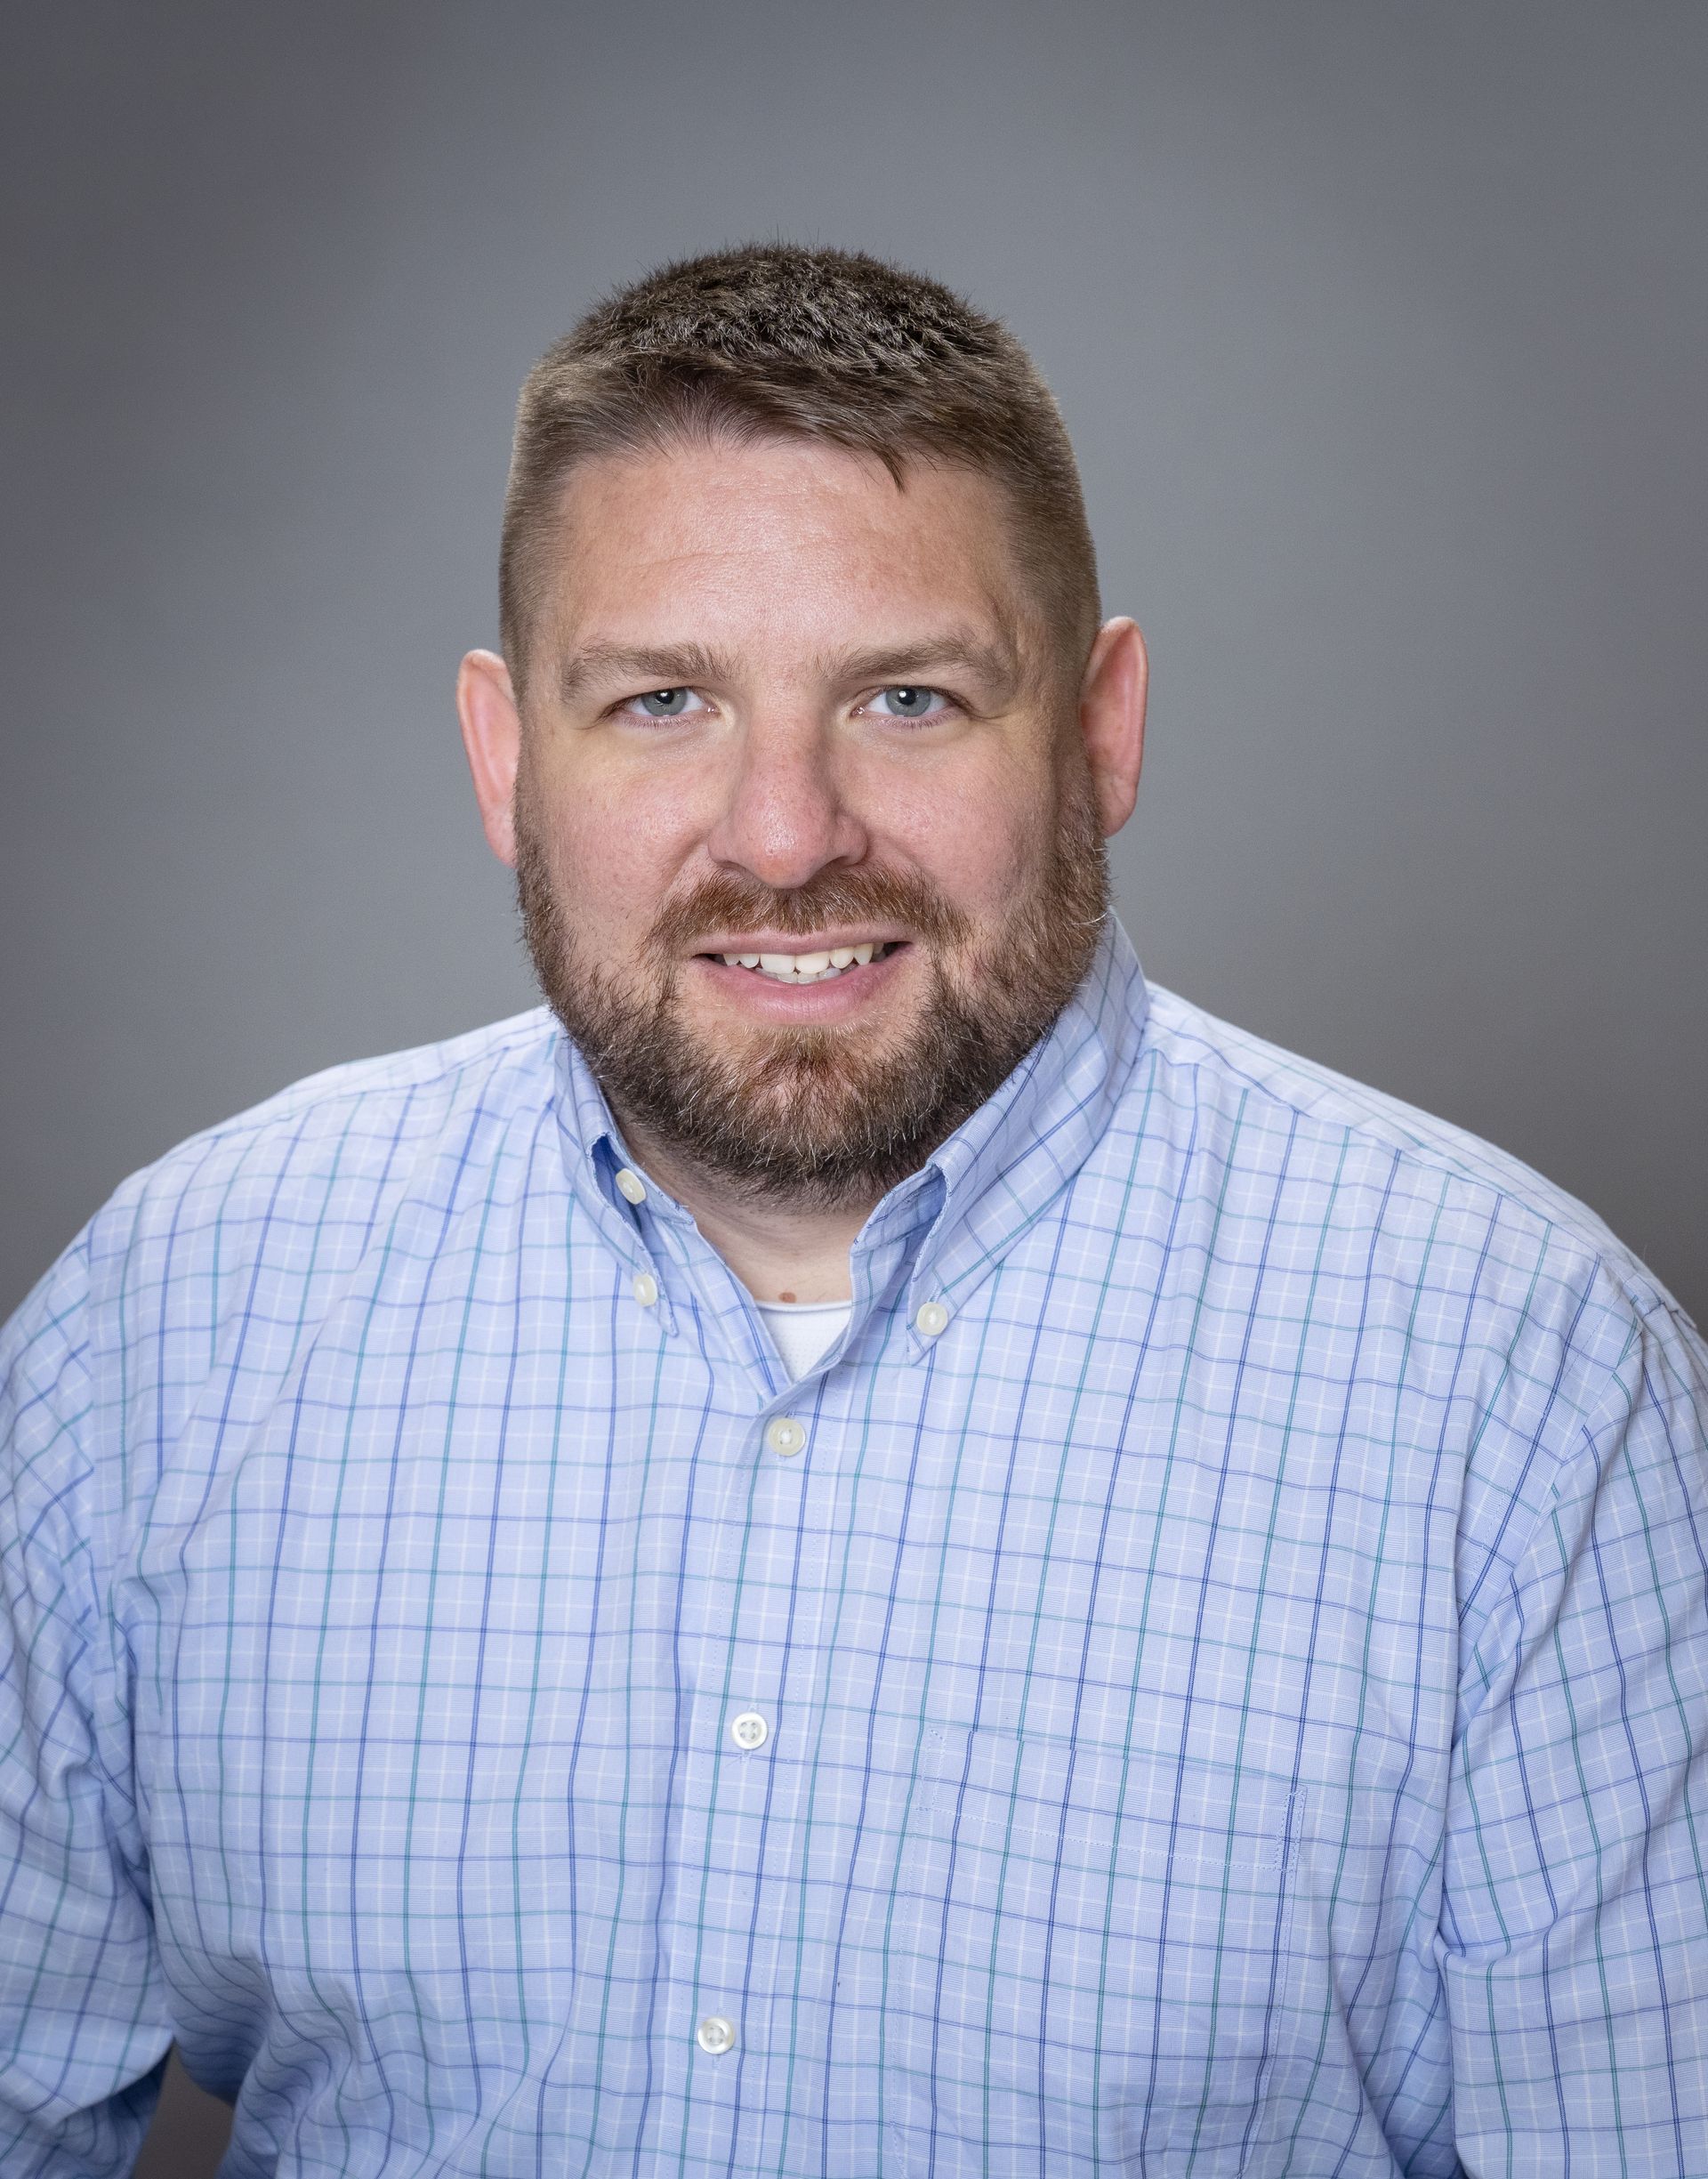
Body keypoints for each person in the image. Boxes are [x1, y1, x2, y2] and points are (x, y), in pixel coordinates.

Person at [2, 242, 1704, 2179]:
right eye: (661, 703)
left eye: (906, 696)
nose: (788, 833)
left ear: (1100, 729)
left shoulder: (1527, 1388)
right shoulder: (171, 1326)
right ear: (505, 761)